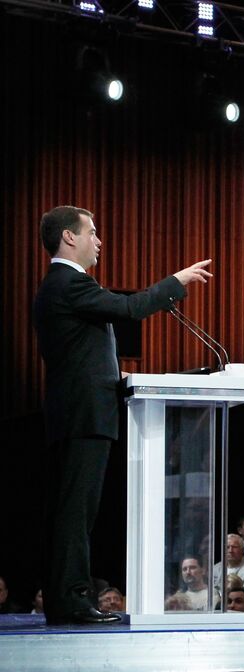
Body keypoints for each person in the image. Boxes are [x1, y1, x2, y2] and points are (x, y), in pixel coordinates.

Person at [32, 205, 212, 624]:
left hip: (77, 413)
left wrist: (114, 373)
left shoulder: (63, 286)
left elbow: (78, 353)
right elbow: (129, 308)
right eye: (92, 232)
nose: (98, 240)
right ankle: (72, 601)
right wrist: (177, 281)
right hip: (82, 417)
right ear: (69, 238)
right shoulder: (68, 282)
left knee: (73, 513)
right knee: (75, 515)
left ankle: (68, 598)